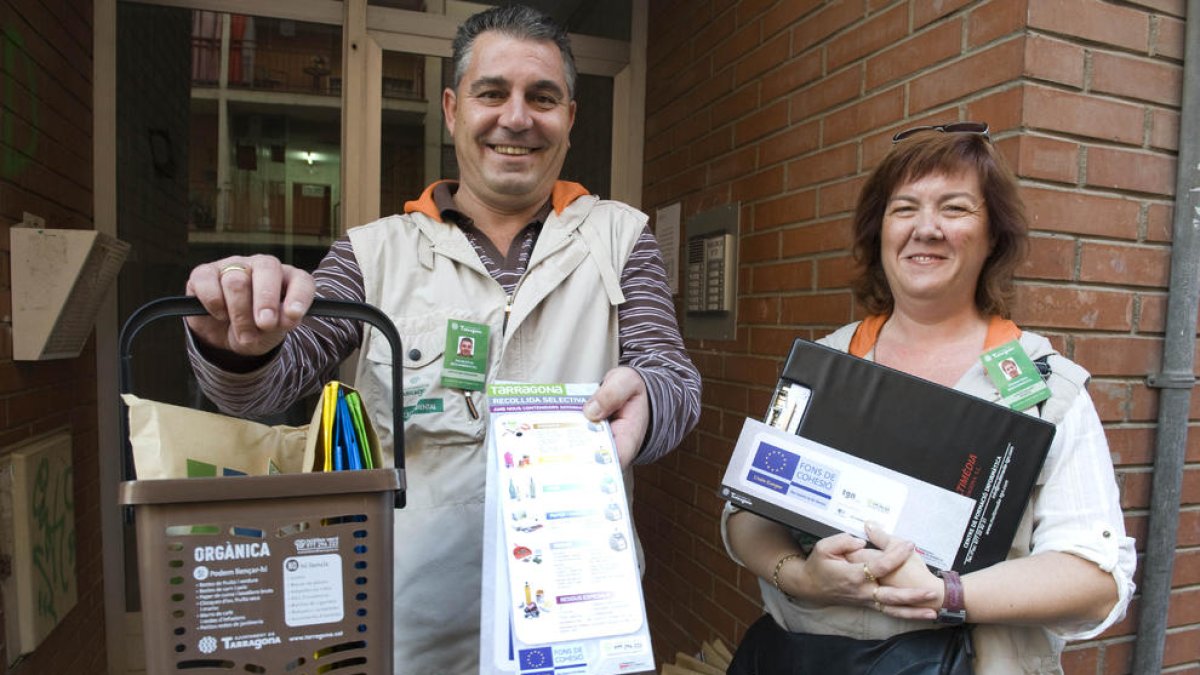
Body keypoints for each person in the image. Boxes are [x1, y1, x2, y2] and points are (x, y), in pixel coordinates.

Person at [183, 5, 700, 671]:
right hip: (408, 634)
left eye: (542, 98)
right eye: (493, 93)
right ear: (453, 109)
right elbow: (268, 385)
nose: (516, 117)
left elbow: (674, 381)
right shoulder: (372, 253)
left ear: (569, 117)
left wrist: (649, 403)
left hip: (577, 625)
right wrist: (240, 342)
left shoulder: (621, 238)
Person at [722, 123, 1135, 674]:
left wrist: (947, 594)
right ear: (880, 232)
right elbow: (745, 513)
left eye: (956, 209)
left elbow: (1095, 580)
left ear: (994, 235)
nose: (927, 228)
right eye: (905, 208)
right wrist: (802, 576)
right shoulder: (826, 363)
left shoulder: (1042, 386)